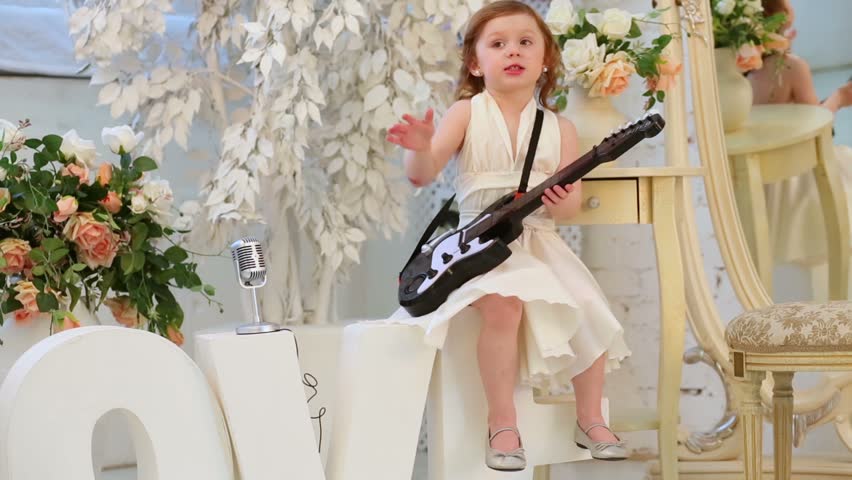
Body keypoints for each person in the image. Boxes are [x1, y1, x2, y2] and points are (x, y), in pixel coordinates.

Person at [384, 0, 631, 471]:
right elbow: (424, 172)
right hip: (479, 245)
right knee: (503, 305)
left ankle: (591, 418)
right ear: (477, 63)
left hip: (539, 241)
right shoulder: (465, 112)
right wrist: (418, 149)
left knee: (588, 308)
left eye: (525, 42)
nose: (512, 51)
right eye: (498, 44)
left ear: (545, 60)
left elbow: (572, 202)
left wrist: (564, 201)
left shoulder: (562, 127)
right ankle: (502, 424)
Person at [748, 0, 852, 278]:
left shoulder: (738, 72)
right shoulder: (791, 67)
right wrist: (840, 98)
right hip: (793, 178)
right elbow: (816, 126)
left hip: (756, 180)